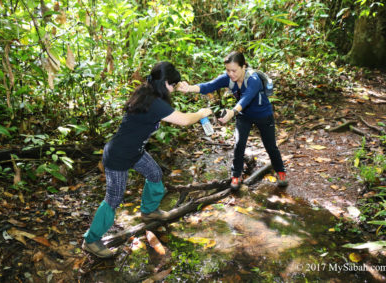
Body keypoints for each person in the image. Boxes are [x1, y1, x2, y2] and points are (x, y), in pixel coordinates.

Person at [82, 62, 212, 258]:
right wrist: (201, 113)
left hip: (135, 151)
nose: (173, 90)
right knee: (113, 199)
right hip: (118, 156)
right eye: (172, 85)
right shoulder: (154, 102)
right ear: (165, 82)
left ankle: (149, 211)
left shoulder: (148, 91)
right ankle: (91, 241)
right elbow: (184, 120)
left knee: (154, 174)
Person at [178, 51, 288, 189]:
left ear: (243, 67)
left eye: (234, 70)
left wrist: (233, 112)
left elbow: (246, 98)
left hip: (263, 114)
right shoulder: (229, 78)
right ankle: (236, 175)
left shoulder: (254, 79)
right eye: (228, 70)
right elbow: (209, 86)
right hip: (244, 116)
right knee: (239, 144)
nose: (231, 74)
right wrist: (189, 88)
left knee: (270, 146)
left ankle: (281, 171)